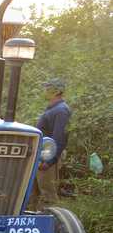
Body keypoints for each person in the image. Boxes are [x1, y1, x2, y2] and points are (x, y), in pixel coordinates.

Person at [28, 79, 71, 210]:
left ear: (57, 91)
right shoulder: (53, 109)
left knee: (48, 195)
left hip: (47, 157)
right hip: (40, 156)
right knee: (31, 193)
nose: (45, 90)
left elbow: (59, 138)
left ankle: (52, 226)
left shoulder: (61, 110)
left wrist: (49, 161)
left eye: (48, 88)